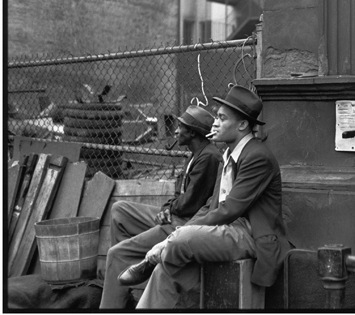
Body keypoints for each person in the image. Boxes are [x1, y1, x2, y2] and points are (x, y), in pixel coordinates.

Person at [118, 85, 291, 309]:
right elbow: (212, 205)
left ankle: (155, 255)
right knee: (166, 270)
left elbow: (230, 209)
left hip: (250, 235)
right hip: (226, 230)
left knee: (182, 240)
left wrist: (179, 235)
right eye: (216, 117)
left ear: (242, 125)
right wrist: (184, 228)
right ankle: (158, 260)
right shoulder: (228, 153)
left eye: (221, 118)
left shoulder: (257, 156)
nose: (215, 123)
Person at [99, 105, 221, 309]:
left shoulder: (209, 157)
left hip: (184, 224)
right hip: (175, 215)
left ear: (192, 132)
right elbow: (178, 194)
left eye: (180, 127)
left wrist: (170, 210)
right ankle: (126, 287)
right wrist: (166, 208)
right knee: (119, 210)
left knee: (116, 254)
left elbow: (190, 204)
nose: (175, 131)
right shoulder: (195, 154)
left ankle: (114, 300)